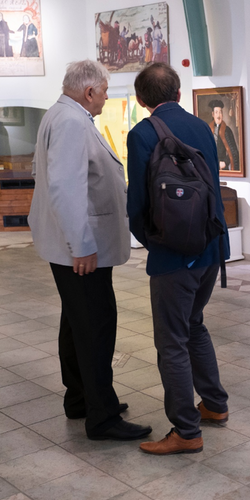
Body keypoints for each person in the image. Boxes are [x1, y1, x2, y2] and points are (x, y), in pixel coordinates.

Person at [28, 59, 151, 441]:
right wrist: (81, 246)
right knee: (96, 326)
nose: (106, 97)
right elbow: (66, 188)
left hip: (72, 246)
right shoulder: (70, 121)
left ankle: (81, 398)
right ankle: (103, 416)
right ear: (89, 91)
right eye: (105, 90)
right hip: (80, 250)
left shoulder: (61, 114)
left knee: (77, 323)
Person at [126, 62, 230, 455]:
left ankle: (186, 431)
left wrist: (156, 244)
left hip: (173, 254)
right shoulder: (202, 127)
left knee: (171, 340)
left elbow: (137, 204)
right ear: (179, 94)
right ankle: (214, 404)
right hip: (211, 247)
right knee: (194, 324)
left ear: (141, 100)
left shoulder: (142, 134)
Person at [207, 99, 240, 172]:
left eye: (220, 112)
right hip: (211, 166)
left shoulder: (227, 130)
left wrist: (225, 162)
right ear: (213, 114)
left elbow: (234, 152)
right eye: (216, 112)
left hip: (223, 167)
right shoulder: (208, 130)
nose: (218, 115)